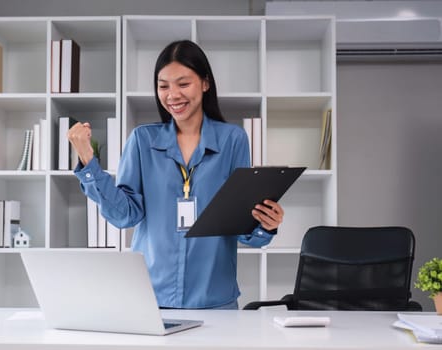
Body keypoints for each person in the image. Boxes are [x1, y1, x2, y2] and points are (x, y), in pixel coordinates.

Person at [67, 40, 284, 310]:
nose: (172, 95)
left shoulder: (233, 140)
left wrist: (267, 224)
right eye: (163, 86)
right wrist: (88, 160)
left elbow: (240, 226)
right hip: (151, 298)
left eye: (183, 84)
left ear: (205, 83)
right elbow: (125, 216)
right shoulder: (141, 141)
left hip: (215, 300)